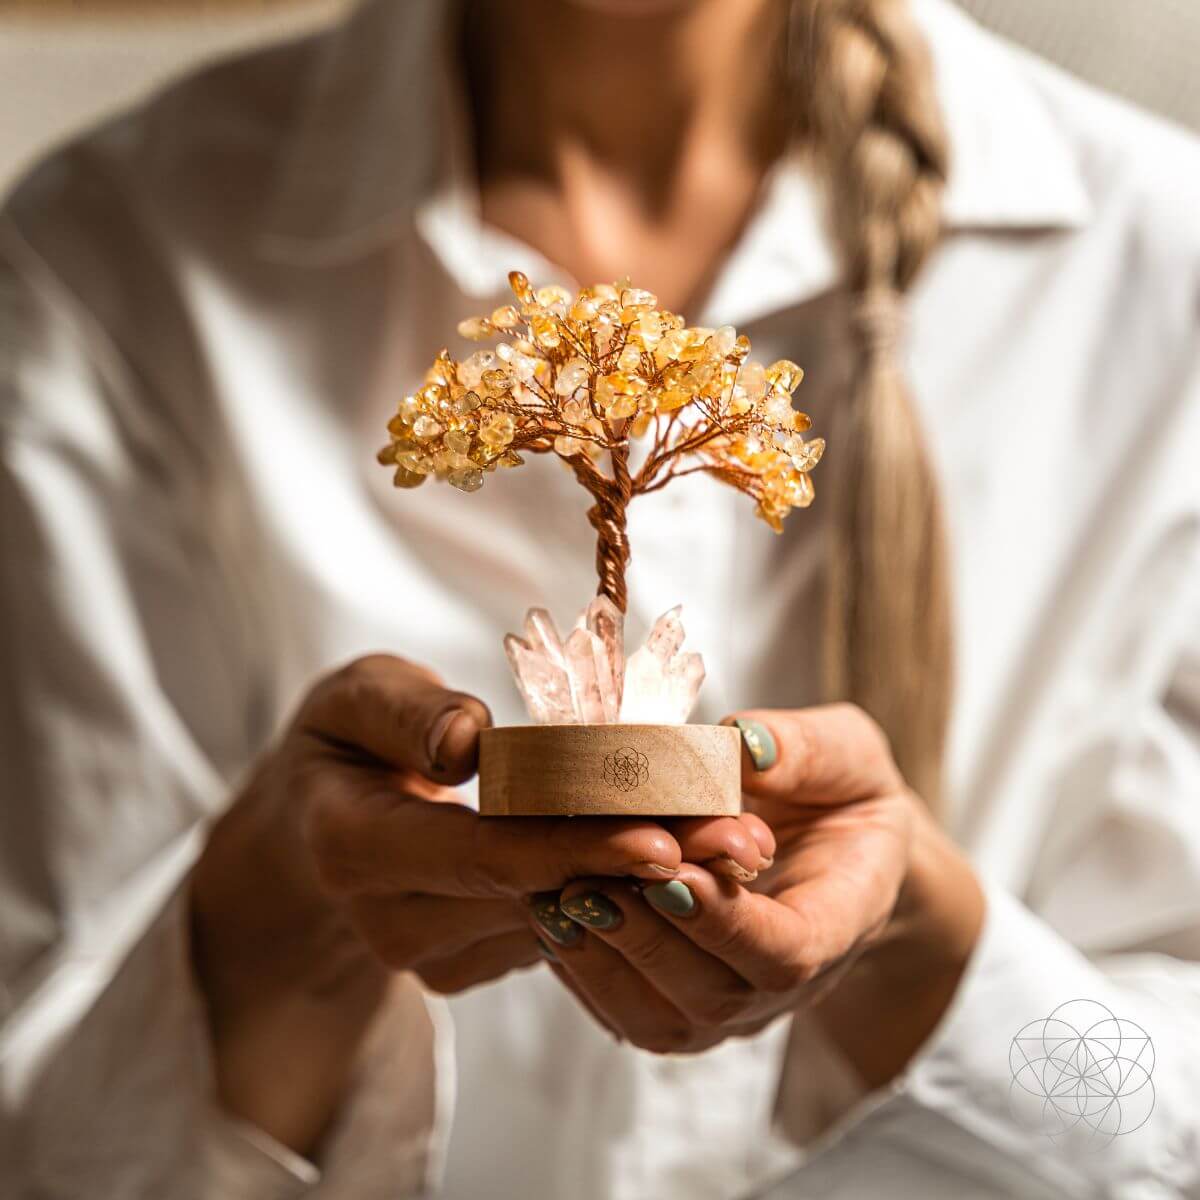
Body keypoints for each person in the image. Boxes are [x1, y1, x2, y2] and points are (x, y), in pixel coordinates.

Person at [1, 0, 1198, 1195]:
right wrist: (270, 937)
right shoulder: (106, 266)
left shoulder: (1159, 271)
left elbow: (1168, 1125)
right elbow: (45, 1144)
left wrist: (936, 962)